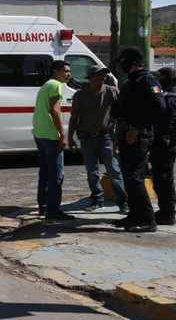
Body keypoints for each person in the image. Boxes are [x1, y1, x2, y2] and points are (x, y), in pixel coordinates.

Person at [113, 48, 166, 233]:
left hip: (138, 135)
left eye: (123, 62)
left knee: (135, 177)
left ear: (133, 62)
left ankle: (147, 219)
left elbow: (159, 106)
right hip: (126, 134)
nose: (121, 66)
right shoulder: (132, 81)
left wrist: (137, 129)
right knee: (129, 176)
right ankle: (135, 214)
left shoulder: (147, 79)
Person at [68, 65, 128, 213]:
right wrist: (69, 137)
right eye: (99, 75)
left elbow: (121, 115)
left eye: (104, 75)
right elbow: (74, 118)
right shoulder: (80, 95)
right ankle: (97, 199)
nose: (102, 78)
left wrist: (120, 137)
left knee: (114, 170)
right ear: (90, 78)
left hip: (106, 137)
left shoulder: (111, 92)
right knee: (92, 171)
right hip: (87, 137)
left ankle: (122, 202)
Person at [33, 59, 74, 221]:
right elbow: (55, 111)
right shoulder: (55, 85)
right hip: (50, 136)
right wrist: (62, 135)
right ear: (56, 71)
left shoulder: (46, 85)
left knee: (44, 172)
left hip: (40, 134)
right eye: (65, 71)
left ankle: (43, 207)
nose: (68, 74)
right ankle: (53, 211)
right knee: (57, 175)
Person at [150, 67, 176, 226]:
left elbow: (170, 122)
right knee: (162, 178)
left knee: (163, 178)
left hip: (165, 144)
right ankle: (166, 210)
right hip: (164, 142)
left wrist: (167, 139)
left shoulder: (170, 98)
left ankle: (167, 213)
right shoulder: (166, 94)